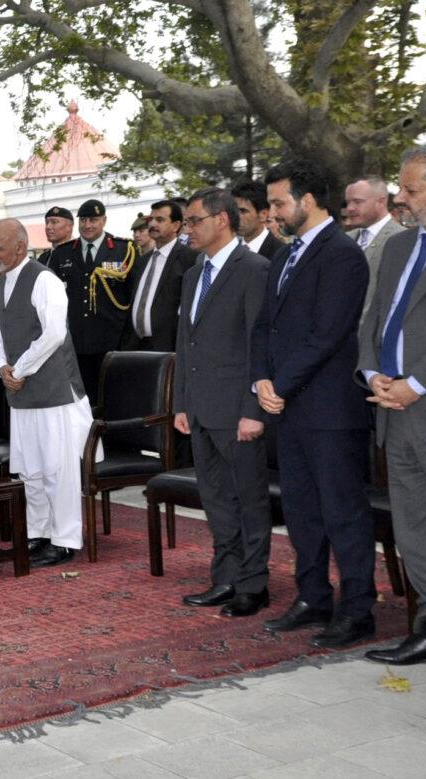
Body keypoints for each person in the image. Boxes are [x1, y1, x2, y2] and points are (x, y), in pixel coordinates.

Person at [251, 159, 374, 649]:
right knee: (302, 511)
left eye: (279, 202)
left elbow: (328, 333)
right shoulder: (284, 256)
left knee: (342, 512)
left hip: (329, 409)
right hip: (288, 405)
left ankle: (358, 609)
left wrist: (278, 384)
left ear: (308, 200)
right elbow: (263, 325)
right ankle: (312, 597)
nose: (273, 212)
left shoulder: (342, 254)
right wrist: (262, 378)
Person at [173, 188, 273, 616]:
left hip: (237, 410)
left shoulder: (254, 269)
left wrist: (253, 411)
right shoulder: (195, 272)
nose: (187, 228)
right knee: (215, 498)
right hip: (199, 407)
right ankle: (226, 577)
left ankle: (254, 583)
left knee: (248, 497)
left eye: (194, 220)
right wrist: (181, 401)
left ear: (222, 221)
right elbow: (185, 342)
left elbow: (260, 346)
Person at [359, 146, 426, 665]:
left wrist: (419, 384)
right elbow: (374, 319)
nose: (399, 199)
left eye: (410, 190)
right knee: (412, 523)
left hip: (422, 403)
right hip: (391, 407)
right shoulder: (401, 247)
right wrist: (373, 373)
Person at [0, 219, 93, 566]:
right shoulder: (1, 283)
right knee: (30, 469)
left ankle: (64, 539)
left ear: (19, 247)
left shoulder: (44, 279)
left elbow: (53, 334)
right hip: (20, 392)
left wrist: (19, 369)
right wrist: (3, 366)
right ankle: (38, 533)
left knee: (57, 469)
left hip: (53, 392)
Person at [46, 199, 141, 400]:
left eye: (94, 220)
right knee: (80, 400)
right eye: (84, 220)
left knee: (114, 398)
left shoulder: (124, 250)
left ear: (104, 220)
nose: (88, 225)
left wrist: (128, 341)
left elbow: (134, 297)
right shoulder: (63, 253)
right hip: (75, 343)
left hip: (113, 342)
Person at [126, 200, 198, 352]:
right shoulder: (141, 261)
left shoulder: (190, 259)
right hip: (136, 346)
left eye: (160, 220)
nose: (152, 224)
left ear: (176, 225)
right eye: (151, 219)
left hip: (169, 347)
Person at [344, 175, 402, 301]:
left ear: (381, 202)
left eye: (358, 201)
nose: (350, 208)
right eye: (348, 202)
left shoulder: (402, 240)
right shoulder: (346, 239)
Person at [232, 181, 285, 261]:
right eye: (234, 211)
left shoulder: (281, 254)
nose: (236, 217)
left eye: (243, 211)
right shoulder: (230, 251)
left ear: (263, 215)